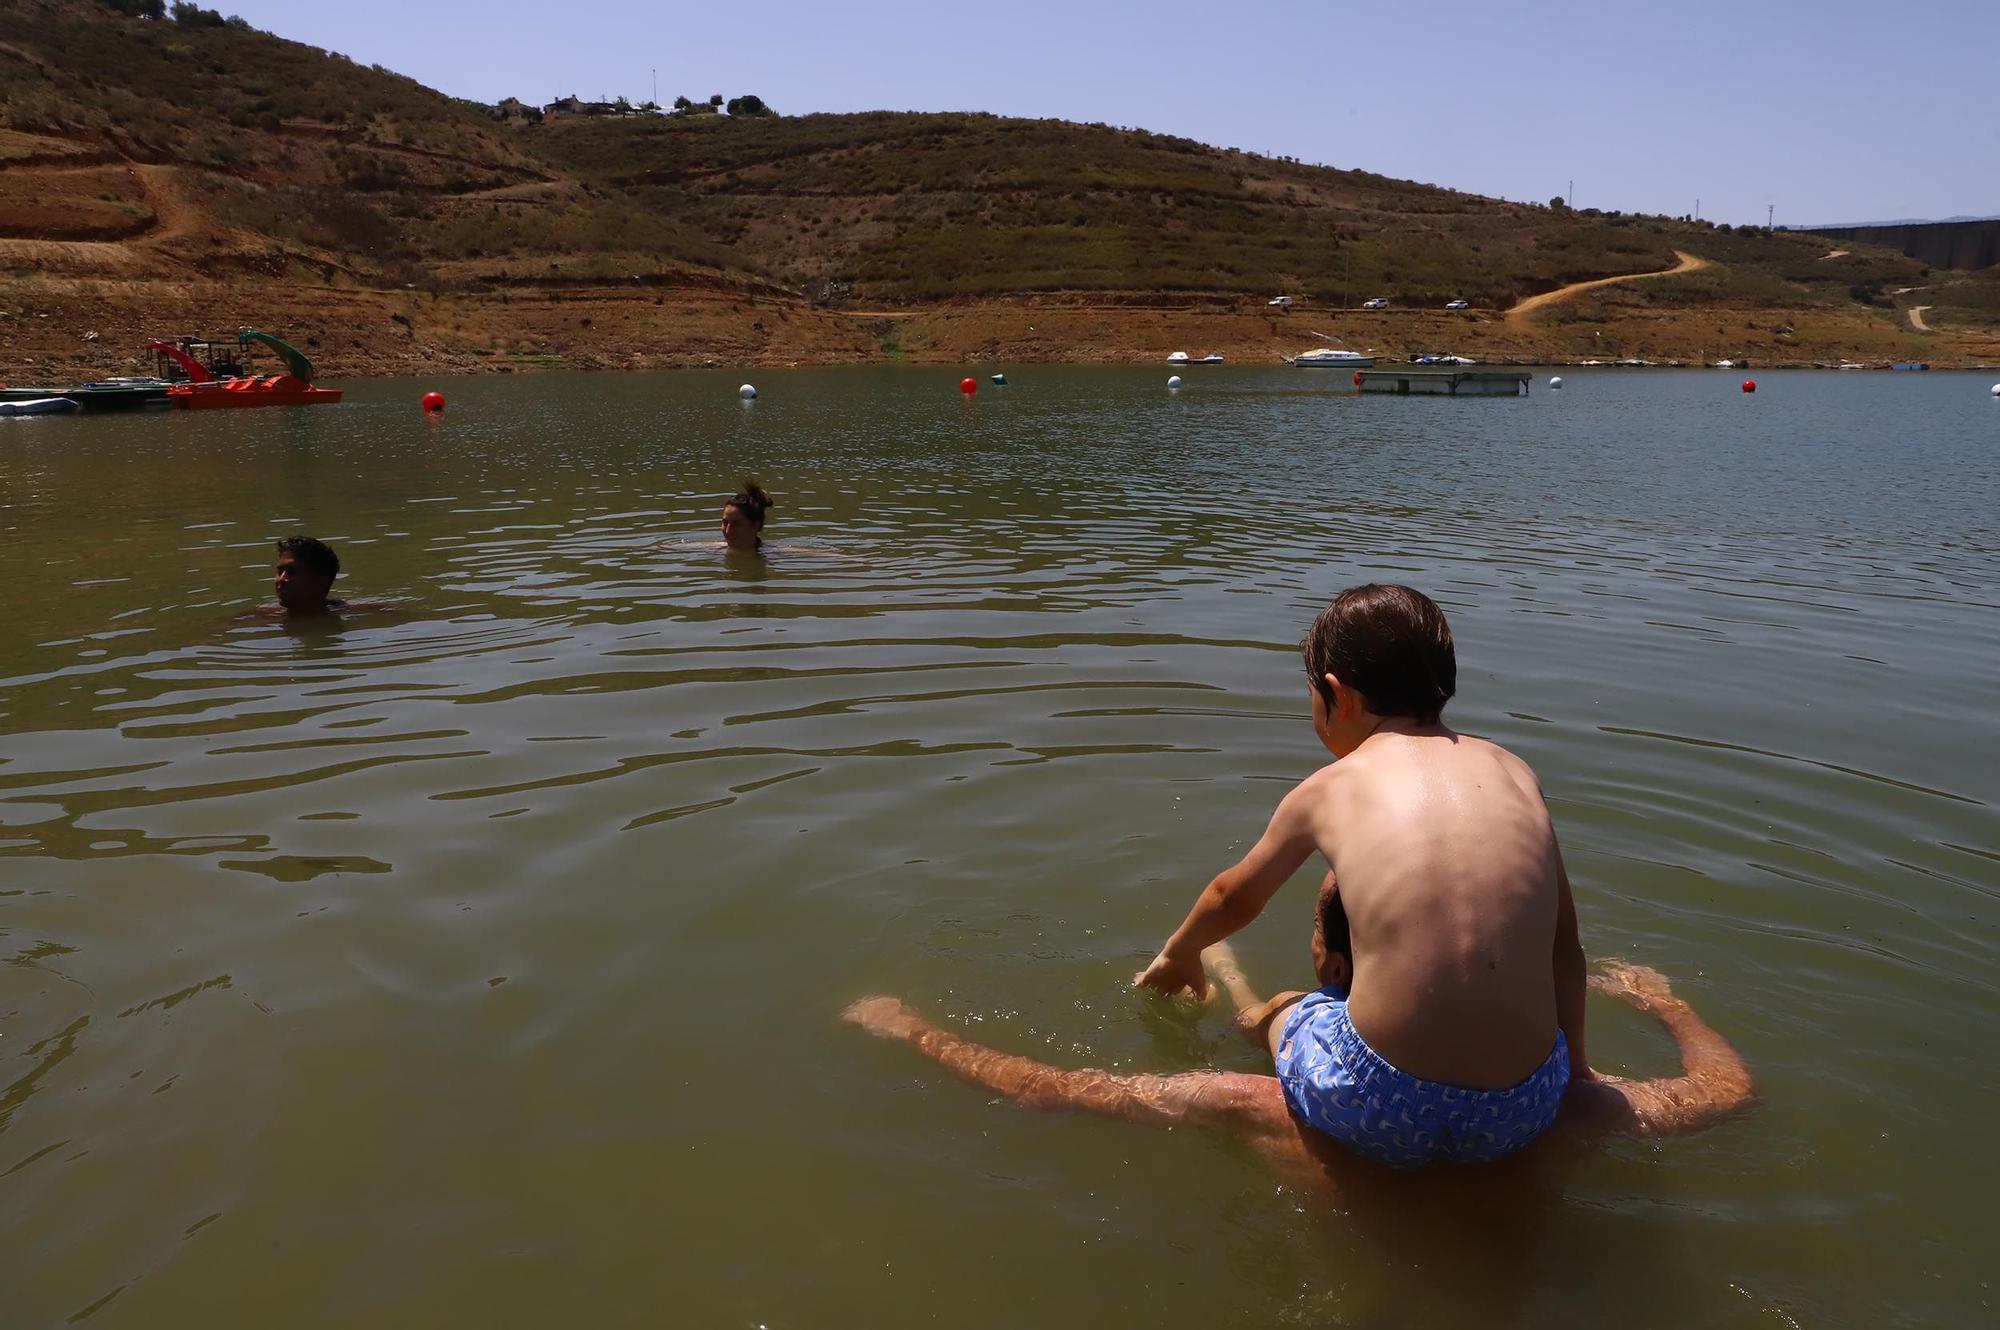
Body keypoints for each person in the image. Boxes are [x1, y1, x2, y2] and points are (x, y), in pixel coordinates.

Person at [843, 891, 1753, 1193]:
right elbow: (1724, 1090)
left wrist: (911, 1028)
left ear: (1332, 958)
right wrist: (1669, 1008)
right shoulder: (1549, 1103)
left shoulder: (1255, 1107)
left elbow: (1047, 1086)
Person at [1130, 583, 1590, 1169]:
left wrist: (1178, 952)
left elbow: (1231, 895)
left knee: (1292, 1008)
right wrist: (1574, 1074)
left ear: (1334, 695)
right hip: (1523, 1111)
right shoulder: (1514, 771)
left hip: (1377, 1103)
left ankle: (1241, 1002)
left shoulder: (1333, 786)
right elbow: (1563, 948)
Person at [271, 536, 345, 615]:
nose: (281, 579)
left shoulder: (351, 613)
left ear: (320, 580)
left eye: (292, 571)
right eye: (280, 571)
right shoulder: (263, 616)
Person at [721, 481, 773, 553]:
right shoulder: (709, 550)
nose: (727, 531)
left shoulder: (777, 555)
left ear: (755, 526)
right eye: (725, 522)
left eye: (736, 524)